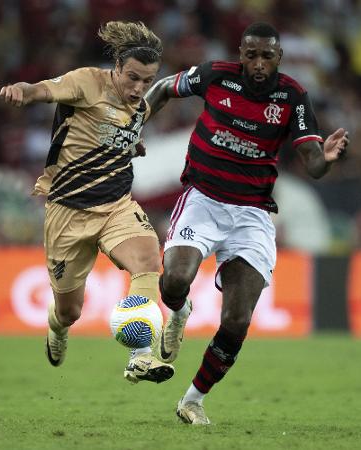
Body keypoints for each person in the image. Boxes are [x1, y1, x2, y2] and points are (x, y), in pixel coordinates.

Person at [146, 22, 349, 424]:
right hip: (203, 200)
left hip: (251, 214)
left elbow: (311, 162)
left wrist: (324, 159)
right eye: (251, 54)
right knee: (174, 280)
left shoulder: (293, 97)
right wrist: (136, 123)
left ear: (279, 57)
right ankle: (179, 310)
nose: (258, 63)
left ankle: (193, 400)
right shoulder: (214, 75)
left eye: (266, 56)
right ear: (241, 53)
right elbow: (164, 88)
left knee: (237, 321)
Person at [0, 21, 174, 385]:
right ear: (117, 69)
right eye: (132, 78)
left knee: (147, 261)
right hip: (68, 212)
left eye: (147, 80)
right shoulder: (86, 81)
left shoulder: (138, 107)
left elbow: (120, 132)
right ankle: (56, 328)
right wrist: (21, 91)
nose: (139, 88)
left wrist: (129, 145)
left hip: (116, 206)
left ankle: (141, 357)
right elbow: (44, 90)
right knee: (69, 311)